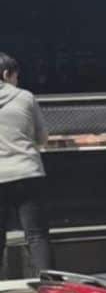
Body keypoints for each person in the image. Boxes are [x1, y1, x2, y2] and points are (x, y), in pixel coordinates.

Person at [0, 52, 52, 278]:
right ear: (6, 74)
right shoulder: (25, 97)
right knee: (37, 235)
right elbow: (42, 138)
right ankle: (51, 291)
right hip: (27, 172)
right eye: (16, 77)